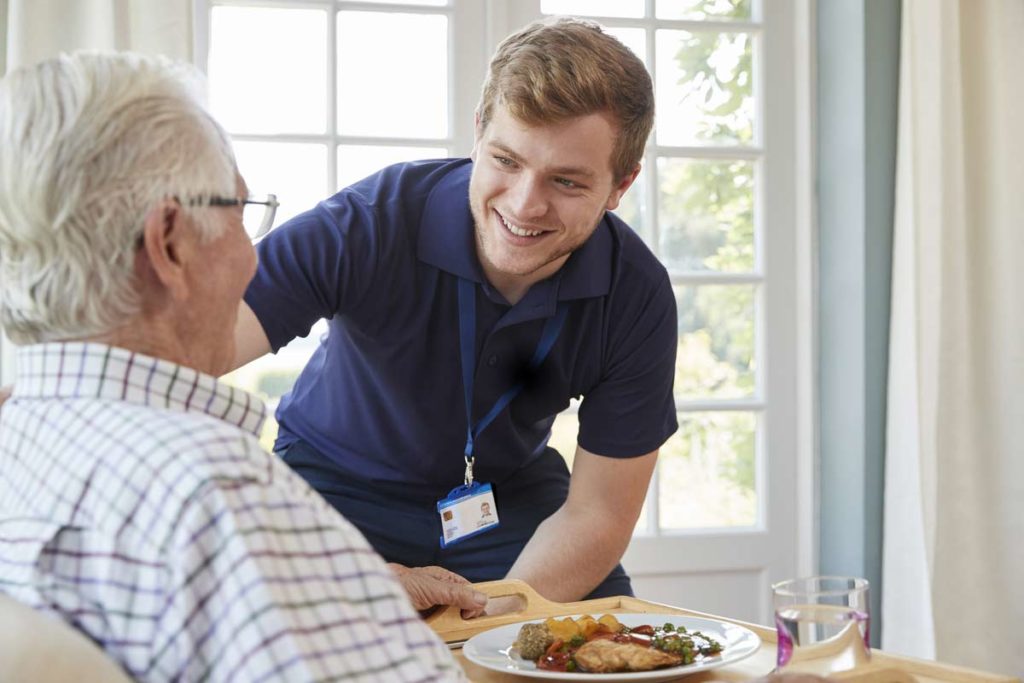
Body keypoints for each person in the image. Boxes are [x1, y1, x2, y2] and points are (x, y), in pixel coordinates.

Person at [0, 51, 475, 681]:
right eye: (238, 213)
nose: (253, 258)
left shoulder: (18, 435)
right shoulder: (217, 490)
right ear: (168, 242)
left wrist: (330, 582)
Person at [232, 16, 678, 604]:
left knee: (602, 648)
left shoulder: (636, 293)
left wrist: (486, 620)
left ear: (621, 185)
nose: (525, 205)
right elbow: (177, 348)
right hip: (332, 491)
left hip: (506, 502)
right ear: (478, 134)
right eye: (507, 160)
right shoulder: (368, 224)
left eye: (567, 182)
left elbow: (597, 515)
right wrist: (350, 584)